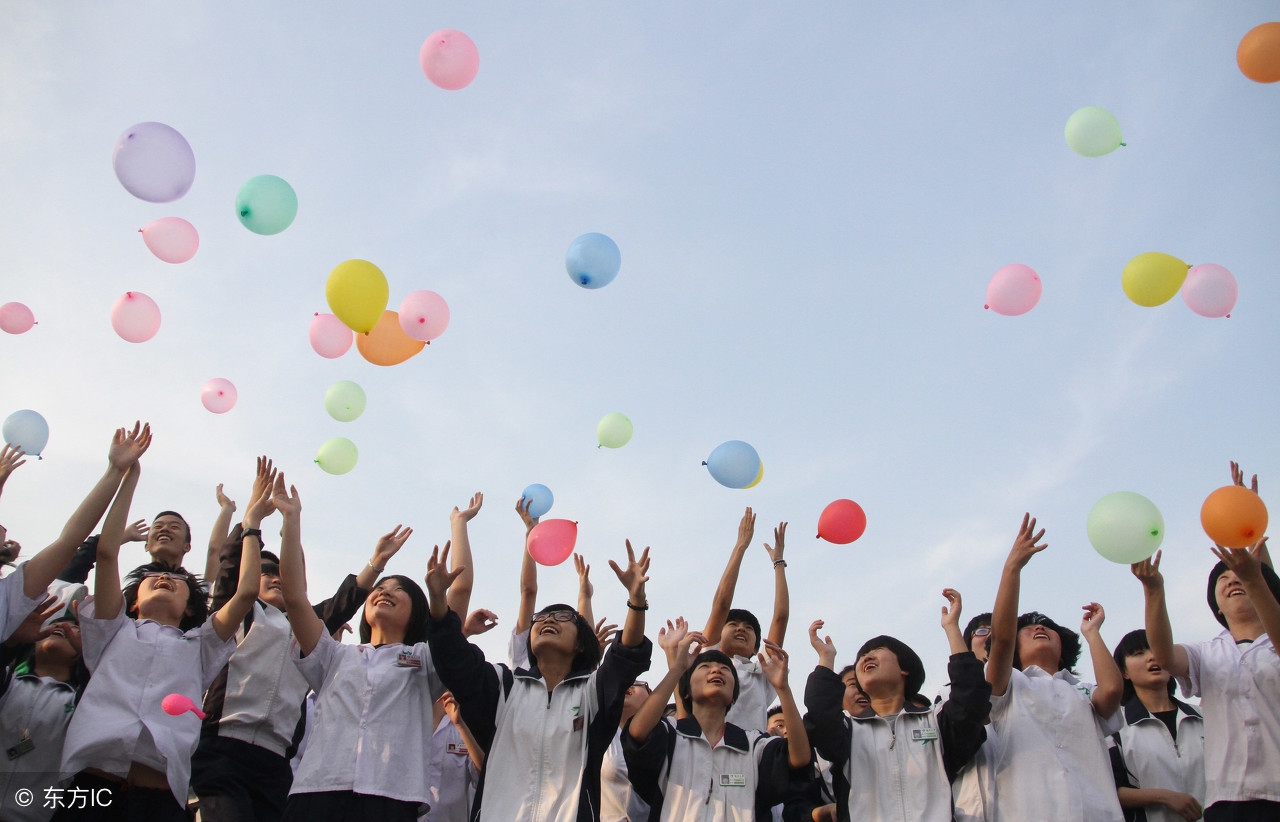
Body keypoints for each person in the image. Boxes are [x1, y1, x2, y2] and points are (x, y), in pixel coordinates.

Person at [58, 425, 261, 821]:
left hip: (159, 798)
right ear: (131, 599)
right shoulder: (111, 629)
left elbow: (245, 592)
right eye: (152, 580)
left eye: (178, 583)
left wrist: (250, 521)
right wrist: (126, 475)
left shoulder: (200, 645)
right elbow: (105, 552)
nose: (165, 579)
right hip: (87, 786)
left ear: (192, 607)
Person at [191, 458, 399, 822]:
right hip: (222, 746)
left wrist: (376, 562)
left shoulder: (308, 624)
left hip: (275, 759)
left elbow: (346, 601)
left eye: (279, 572)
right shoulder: (239, 612)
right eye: (264, 573)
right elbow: (228, 568)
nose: (273, 578)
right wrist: (250, 521)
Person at [426, 539, 653, 821]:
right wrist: (438, 603)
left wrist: (636, 601)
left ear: (581, 643)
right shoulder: (504, 687)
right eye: (541, 617)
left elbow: (626, 656)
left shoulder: (592, 693)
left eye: (562, 616)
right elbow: (453, 660)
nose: (548, 620)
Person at [272, 476, 455, 822]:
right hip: (317, 790)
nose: (386, 591)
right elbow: (295, 599)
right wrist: (291, 519)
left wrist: (439, 594)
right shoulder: (335, 655)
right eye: (382, 587)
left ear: (416, 610)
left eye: (399, 589)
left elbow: (454, 612)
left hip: (390, 796)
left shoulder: (424, 660)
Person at [1134, 507, 1280, 821]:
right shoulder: (1207, 652)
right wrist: (1153, 590)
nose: (1232, 580)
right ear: (1215, 604)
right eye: (1223, 578)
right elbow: (1164, 654)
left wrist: (1255, 576)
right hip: (1227, 798)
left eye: (1240, 574)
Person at [984, 514, 1124, 822]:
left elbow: (1113, 689)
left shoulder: (1082, 692)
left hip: (1097, 813)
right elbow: (1002, 640)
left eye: (1048, 627)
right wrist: (1012, 568)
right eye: (1029, 627)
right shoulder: (1009, 687)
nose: (1038, 629)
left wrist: (1093, 634)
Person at [803, 616, 990, 822]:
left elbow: (971, 701)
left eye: (876, 651)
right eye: (862, 656)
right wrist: (826, 659)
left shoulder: (935, 722)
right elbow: (820, 719)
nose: (867, 657)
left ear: (904, 668)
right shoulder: (849, 730)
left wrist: (952, 629)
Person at [623, 618, 810, 821]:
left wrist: (783, 688)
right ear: (687, 692)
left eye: (726, 669)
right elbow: (638, 731)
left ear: (733, 695)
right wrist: (677, 669)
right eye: (705, 667)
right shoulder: (672, 735)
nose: (716, 669)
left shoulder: (753, 745)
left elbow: (799, 757)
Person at [698, 508, 790, 731]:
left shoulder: (761, 674)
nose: (741, 629)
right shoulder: (705, 659)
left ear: (756, 646)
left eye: (749, 628)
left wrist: (778, 564)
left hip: (748, 756)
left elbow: (780, 617)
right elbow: (721, 604)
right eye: (733, 624)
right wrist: (741, 546)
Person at [1107, 629, 1206, 822]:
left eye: (1158, 650)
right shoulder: (1114, 726)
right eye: (1139, 653)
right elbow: (1108, 788)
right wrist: (1164, 796)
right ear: (1123, 671)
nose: (1152, 657)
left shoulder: (1204, 717)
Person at [938, 592, 997, 822]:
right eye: (983, 631)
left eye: (998, 631)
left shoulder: (1029, 687)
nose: (991, 636)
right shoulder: (946, 696)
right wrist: (952, 627)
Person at [601, 679, 653, 822]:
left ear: (651, 694)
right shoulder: (600, 734)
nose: (629, 684)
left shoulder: (669, 737)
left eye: (636, 682)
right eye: (625, 681)